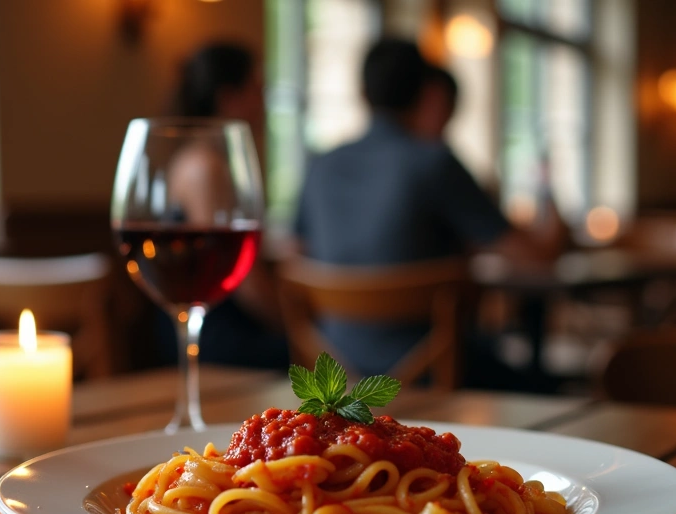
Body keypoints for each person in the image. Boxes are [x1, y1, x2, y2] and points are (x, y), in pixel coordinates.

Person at [295, 38, 563, 377]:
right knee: (540, 381)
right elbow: (537, 258)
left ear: (362, 94)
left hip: (333, 371)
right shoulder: (436, 163)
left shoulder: (320, 166)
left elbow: (295, 253)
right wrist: (549, 191)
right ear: (426, 93)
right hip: (430, 371)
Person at [151, 42, 288, 370]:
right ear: (228, 98)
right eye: (257, 90)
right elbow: (244, 282)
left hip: (212, 321)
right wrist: (294, 326)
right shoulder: (204, 167)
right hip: (210, 331)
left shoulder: (205, 159)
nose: (264, 103)